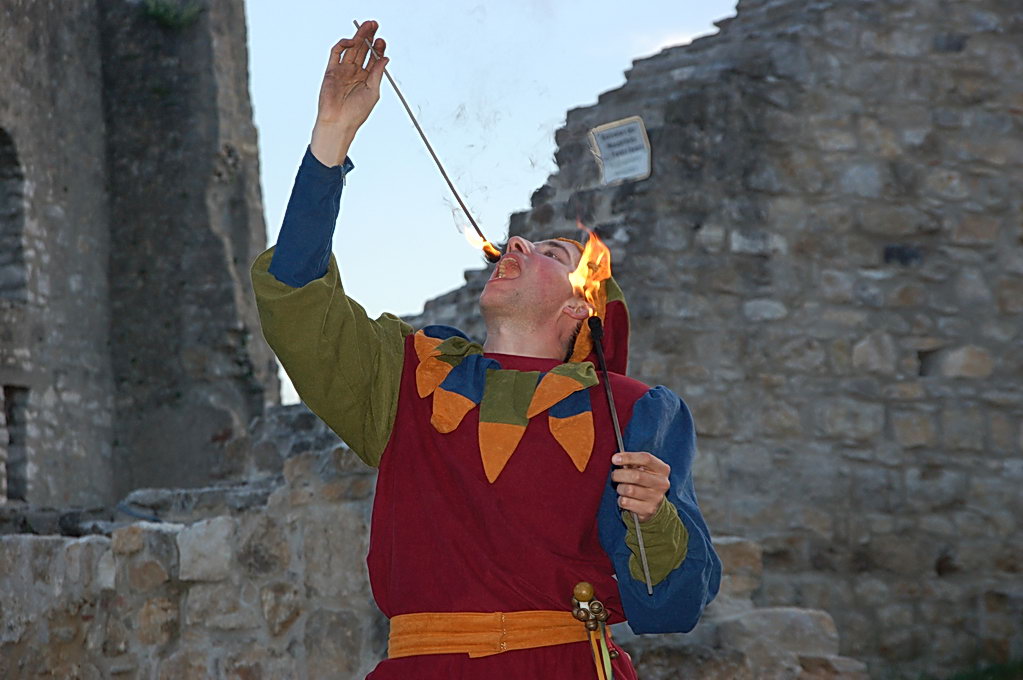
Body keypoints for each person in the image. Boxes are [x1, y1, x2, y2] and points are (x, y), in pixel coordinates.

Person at [251, 20, 721, 679]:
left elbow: (670, 607)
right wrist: (332, 137)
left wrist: (654, 515)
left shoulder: (633, 409)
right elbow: (296, 293)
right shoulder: (405, 375)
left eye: (552, 251)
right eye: (519, 243)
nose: (517, 245)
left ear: (578, 305)